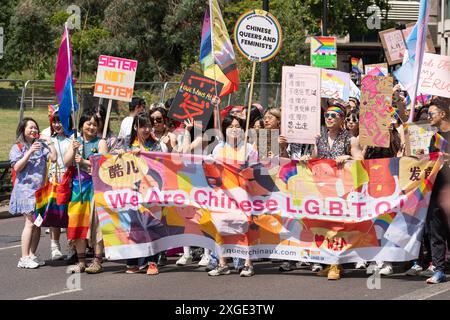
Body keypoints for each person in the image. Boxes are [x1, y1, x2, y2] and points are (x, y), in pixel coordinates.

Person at [301, 104, 364, 280]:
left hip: (342, 187)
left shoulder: (350, 139)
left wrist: (348, 157)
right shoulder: (319, 137)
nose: (329, 118)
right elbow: (315, 157)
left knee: (338, 225)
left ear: (342, 119)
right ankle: (330, 263)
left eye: (334, 115)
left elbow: (360, 158)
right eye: (327, 115)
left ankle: (336, 264)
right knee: (325, 224)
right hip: (322, 186)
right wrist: (307, 158)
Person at [207, 115, 258, 277]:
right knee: (219, 225)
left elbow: (257, 170)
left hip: (243, 193)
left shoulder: (248, 148)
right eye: (231, 126)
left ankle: (248, 264)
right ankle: (223, 263)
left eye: (238, 126)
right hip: (222, 194)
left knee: (244, 226)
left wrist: (246, 170)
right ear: (224, 130)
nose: (234, 129)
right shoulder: (218, 148)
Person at [123, 112, 167, 275]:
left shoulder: (157, 144)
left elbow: (164, 163)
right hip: (131, 191)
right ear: (136, 127)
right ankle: (132, 262)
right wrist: (127, 155)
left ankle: (152, 262)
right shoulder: (126, 144)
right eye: (143, 126)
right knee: (134, 226)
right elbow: (115, 160)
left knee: (152, 225)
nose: (147, 129)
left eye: (149, 125)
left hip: (152, 190)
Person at [64, 110, 108, 273]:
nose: (91, 127)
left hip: (96, 187)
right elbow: (66, 162)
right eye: (88, 123)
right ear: (81, 125)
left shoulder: (101, 142)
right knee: (78, 222)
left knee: (97, 223)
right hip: (78, 188)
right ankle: (81, 261)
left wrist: (83, 161)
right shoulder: (75, 141)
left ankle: (97, 261)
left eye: (95, 124)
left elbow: (104, 164)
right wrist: (73, 149)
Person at [10, 117, 57, 269]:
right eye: (30, 127)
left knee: (37, 225)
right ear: (23, 130)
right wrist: (30, 151)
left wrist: (49, 142)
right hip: (25, 191)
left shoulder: (42, 145)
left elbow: (54, 158)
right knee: (30, 223)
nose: (34, 130)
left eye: (35, 127)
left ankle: (31, 255)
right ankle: (23, 258)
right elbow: (17, 168)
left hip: (39, 191)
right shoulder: (17, 147)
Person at [176, 116, 217, 267]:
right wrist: (186, 132)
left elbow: (187, 150)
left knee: (204, 217)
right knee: (187, 217)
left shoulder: (207, 135)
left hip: (203, 180)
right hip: (186, 179)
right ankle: (187, 253)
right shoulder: (183, 135)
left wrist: (187, 133)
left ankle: (207, 253)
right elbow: (180, 151)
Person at [421, 97, 450, 284]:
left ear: (443, 114)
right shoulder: (435, 137)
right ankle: (439, 269)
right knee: (435, 230)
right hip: (436, 189)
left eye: (431, 113)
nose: (428, 116)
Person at [43, 106, 73, 261]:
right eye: (54, 121)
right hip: (54, 181)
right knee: (55, 215)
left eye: (60, 120)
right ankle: (55, 246)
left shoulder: (73, 138)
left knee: (69, 216)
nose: (57, 124)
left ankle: (71, 246)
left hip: (69, 181)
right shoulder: (49, 139)